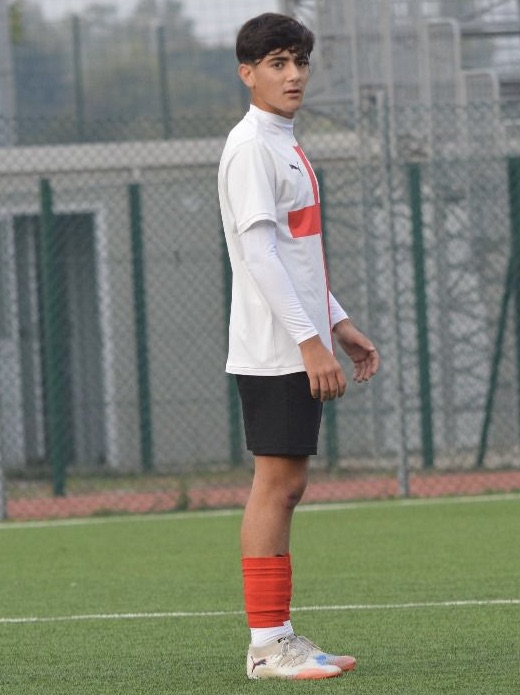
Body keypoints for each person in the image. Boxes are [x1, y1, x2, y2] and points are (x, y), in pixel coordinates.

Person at [217, 12, 380, 681]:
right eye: (277, 64)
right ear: (247, 73)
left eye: (300, 62)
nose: (293, 76)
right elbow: (258, 256)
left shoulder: (282, 142)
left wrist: (337, 323)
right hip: (275, 346)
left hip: (298, 339)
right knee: (275, 486)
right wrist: (311, 343)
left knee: (287, 486)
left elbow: (296, 255)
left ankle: (277, 636)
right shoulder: (252, 146)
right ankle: (266, 646)